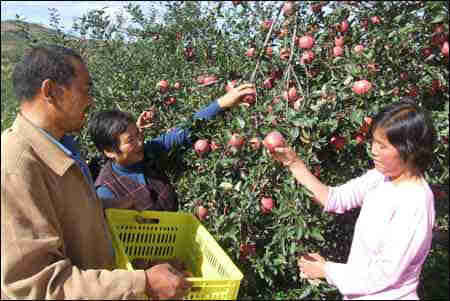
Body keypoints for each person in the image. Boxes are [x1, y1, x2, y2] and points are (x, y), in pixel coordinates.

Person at [1, 45, 191, 300]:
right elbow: (36, 287)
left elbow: (55, 211)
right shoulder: (14, 168)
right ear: (50, 91)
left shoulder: (61, 145)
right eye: (85, 89)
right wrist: (141, 282)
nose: (90, 100)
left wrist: (99, 205)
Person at [270, 98, 436, 300]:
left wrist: (326, 270)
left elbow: (385, 274)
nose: (373, 150)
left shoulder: (415, 202)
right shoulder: (381, 177)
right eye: (374, 142)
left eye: (382, 146)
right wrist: (293, 163)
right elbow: (335, 199)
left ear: (409, 151)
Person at [88, 83, 256, 211]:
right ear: (109, 151)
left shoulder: (148, 151)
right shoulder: (107, 192)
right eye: (130, 140)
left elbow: (184, 132)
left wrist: (222, 103)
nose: (140, 142)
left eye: (139, 134)